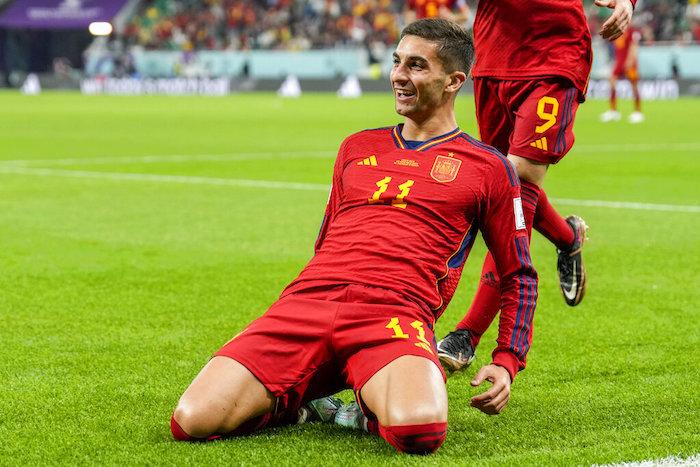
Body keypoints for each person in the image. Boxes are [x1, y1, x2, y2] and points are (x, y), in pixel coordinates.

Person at [171, 18, 537, 455]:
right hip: (307, 304)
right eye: (397, 62)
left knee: (420, 432)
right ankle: (302, 405)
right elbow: (325, 240)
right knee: (192, 421)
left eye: (417, 66)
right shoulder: (356, 147)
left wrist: (507, 361)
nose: (399, 75)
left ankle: (368, 399)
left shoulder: (488, 167)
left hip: (393, 315)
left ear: (454, 80)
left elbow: (518, 273)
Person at [436, 0, 637, 374]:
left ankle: (468, 334)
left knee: (517, 190)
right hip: (493, 57)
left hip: (554, 57)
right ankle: (567, 236)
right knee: (500, 182)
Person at [600, 25, 643, 123]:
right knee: (611, 81)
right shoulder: (617, 30)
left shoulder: (631, 30)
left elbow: (634, 46)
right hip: (619, 61)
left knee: (634, 85)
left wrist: (630, 60)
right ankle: (613, 111)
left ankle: (637, 112)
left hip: (629, 62)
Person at [404, 0, 470, 26]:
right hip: (422, 32)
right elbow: (409, 10)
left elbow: (466, 16)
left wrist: (453, 17)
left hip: (443, 34)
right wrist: (411, 24)